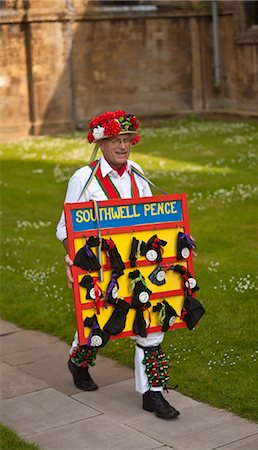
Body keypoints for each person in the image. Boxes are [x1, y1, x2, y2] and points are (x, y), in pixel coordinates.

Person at [56, 109, 180, 419]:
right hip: (100, 268)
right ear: (101, 143)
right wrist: (72, 257)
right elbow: (65, 226)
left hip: (139, 265)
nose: (122, 147)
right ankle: (79, 361)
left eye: (127, 140)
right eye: (115, 140)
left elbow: (153, 219)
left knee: (150, 327)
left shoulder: (138, 172)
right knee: (98, 323)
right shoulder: (83, 179)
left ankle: (152, 394)